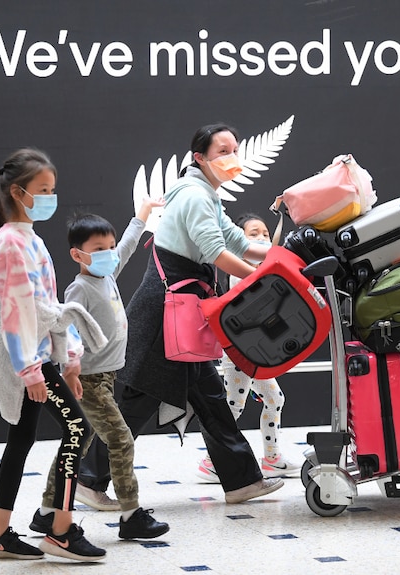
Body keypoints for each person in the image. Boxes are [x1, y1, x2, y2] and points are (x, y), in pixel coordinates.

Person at [77, 123, 284, 505]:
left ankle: (241, 482)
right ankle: (90, 480)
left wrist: (279, 260)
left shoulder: (205, 193)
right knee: (139, 398)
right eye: (223, 151)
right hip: (165, 313)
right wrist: (264, 279)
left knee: (209, 398)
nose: (232, 157)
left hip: (179, 312)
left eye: (234, 149)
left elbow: (238, 241)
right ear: (199, 158)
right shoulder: (195, 196)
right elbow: (218, 253)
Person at [0, 148, 106, 562]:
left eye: (52, 189)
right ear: (18, 192)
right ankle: (60, 531)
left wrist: (68, 359)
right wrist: (32, 371)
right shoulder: (10, 241)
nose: (51, 196)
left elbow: (46, 306)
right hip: (22, 355)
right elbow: (17, 311)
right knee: (77, 431)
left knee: (22, 438)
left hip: (35, 352)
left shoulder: (28, 237)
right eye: (43, 189)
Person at [28, 200, 170, 541]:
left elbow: (127, 247)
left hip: (105, 378)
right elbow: (66, 328)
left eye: (109, 246)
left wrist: (141, 216)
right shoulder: (79, 288)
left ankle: (47, 512)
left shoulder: (108, 275)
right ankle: (131, 514)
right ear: (78, 255)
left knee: (77, 441)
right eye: (99, 249)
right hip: (88, 380)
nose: (109, 254)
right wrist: (71, 370)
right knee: (121, 441)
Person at [196, 213, 299, 483]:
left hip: (254, 351)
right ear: (238, 240)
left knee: (274, 399)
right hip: (238, 352)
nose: (262, 238)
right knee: (233, 407)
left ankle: (272, 459)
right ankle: (212, 463)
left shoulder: (259, 264)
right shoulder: (239, 268)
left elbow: (273, 250)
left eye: (264, 233)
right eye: (254, 234)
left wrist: (280, 217)